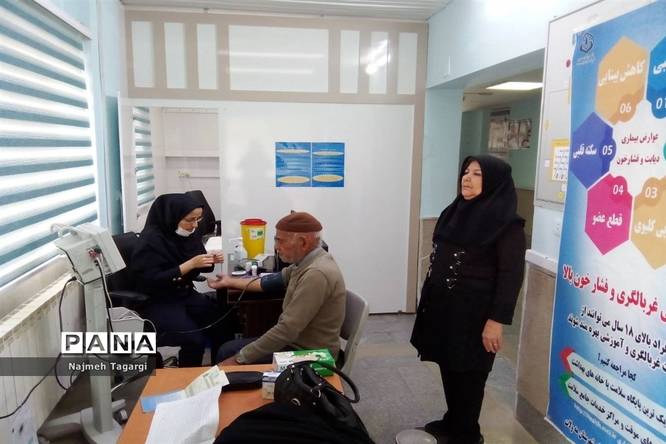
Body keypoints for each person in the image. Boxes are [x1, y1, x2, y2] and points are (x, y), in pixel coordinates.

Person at [410, 155, 526, 444]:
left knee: (470, 375)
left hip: (476, 315)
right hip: (445, 309)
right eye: (466, 171)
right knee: (449, 365)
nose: (467, 178)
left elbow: (511, 276)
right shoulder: (455, 211)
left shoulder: (507, 225)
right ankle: (454, 420)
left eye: (477, 174)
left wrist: (496, 321)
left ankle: (468, 434)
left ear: (495, 182)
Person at [208, 211, 346, 365]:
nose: (276, 247)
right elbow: (269, 282)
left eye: (280, 241)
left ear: (303, 242)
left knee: (228, 353)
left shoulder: (316, 274)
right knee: (227, 350)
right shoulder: (305, 262)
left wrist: (240, 358)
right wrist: (229, 281)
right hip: (296, 342)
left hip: (312, 354)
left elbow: (287, 330)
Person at [131, 193, 231, 367]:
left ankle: (220, 372)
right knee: (194, 339)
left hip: (183, 293)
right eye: (190, 220)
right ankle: (188, 379)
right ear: (172, 217)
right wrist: (189, 265)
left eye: (198, 219)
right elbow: (151, 280)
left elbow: (197, 265)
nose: (195, 225)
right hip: (158, 300)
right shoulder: (150, 241)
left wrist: (209, 260)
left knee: (222, 325)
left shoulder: (187, 234)